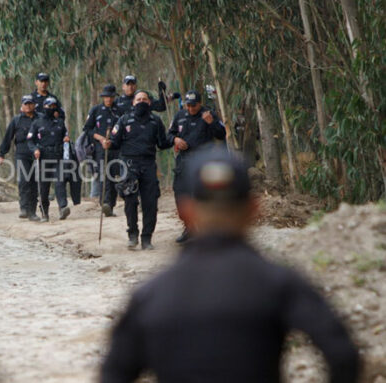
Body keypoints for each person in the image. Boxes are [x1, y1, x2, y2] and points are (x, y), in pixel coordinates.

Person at [100, 147, 359, 383]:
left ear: (186, 212)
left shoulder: (151, 294)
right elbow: (343, 356)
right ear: (254, 210)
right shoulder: (279, 283)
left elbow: (114, 373)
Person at [103, 90, 174, 250]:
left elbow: (162, 143)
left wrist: (174, 137)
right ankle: (132, 234)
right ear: (133, 103)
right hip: (129, 165)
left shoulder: (155, 121)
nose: (141, 101)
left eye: (144, 99)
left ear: (149, 102)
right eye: (138, 99)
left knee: (150, 202)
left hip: (149, 165)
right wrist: (108, 144)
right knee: (130, 201)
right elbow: (114, 141)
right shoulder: (124, 120)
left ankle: (147, 238)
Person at [168, 90, 227, 243]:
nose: (190, 108)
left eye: (193, 105)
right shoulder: (180, 115)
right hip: (183, 161)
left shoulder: (209, 114)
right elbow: (169, 135)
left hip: (203, 161)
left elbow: (221, 134)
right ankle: (189, 227)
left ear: (200, 104)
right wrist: (175, 140)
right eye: (188, 105)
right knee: (181, 194)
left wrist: (211, 122)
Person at [27, 97, 71, 222]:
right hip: (43, 158)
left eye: (53, 107)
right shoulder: (37, 123)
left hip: (58, 157)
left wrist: (66, 139)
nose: (51, 109)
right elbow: (30, 140)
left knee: (60, 182)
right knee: (44, 186)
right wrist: (35, 149)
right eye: (49, 106)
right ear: (44, 107)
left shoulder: (60, 123)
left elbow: (66, 135)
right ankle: (44, 212)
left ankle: (63, 207)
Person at [0, 94, 40, 221]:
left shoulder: (40, 118)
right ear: (22, 106)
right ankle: (24, 208)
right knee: (23, 180)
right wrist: (1, 154)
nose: (28, 106)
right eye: (25, 104)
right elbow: (8, 138)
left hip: (38, 154)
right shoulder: (16, 120)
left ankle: (32, 211)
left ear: (34, 105)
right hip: (22, 154)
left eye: (30, 104)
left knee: (34, 182)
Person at [83, 84, 120, 217]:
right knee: (104, 175)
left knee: (114, 176)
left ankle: (111, 204)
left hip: (115, 148)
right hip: (100, 148)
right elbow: (87, 130)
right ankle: (105, 203)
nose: (108, 99)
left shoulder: (119, 110)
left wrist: (112, 141)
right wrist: (100, 139)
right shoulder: (96, 110)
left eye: (110, 97)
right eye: (106, 97)